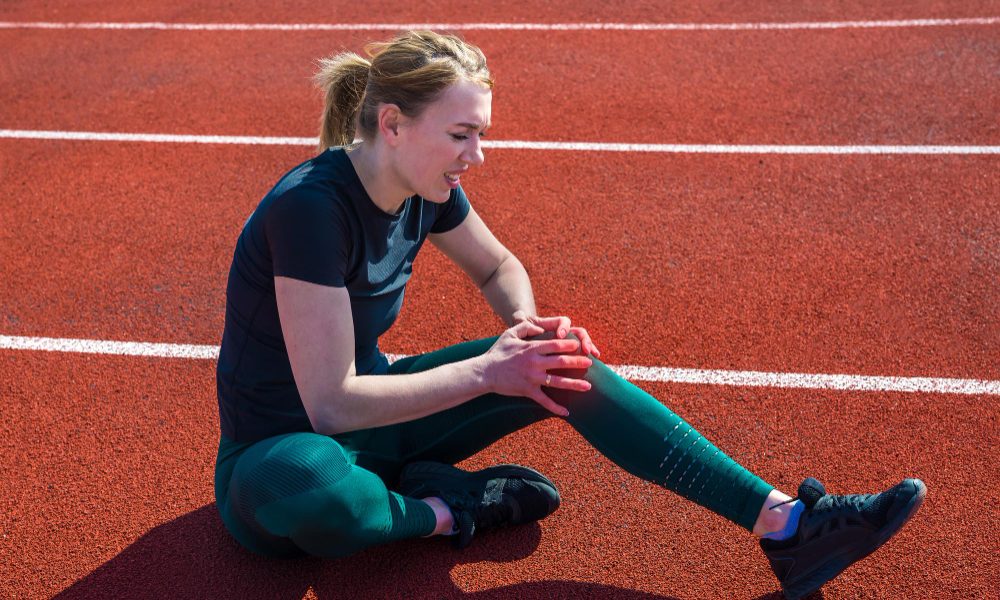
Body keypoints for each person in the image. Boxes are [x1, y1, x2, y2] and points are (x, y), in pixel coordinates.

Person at [213, 30, 926, 599]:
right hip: (276, 457)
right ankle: (448, 510)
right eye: (461, 134)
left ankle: (787, 524)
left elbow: (498, 267)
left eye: (480, 134)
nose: (477, 155)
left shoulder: (425, 186)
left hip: (383, 430)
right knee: (310, 484)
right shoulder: (310, 208)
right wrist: (491, 372)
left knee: (559, 365)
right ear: (393, 124)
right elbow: (331, 405)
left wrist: (523, 330)